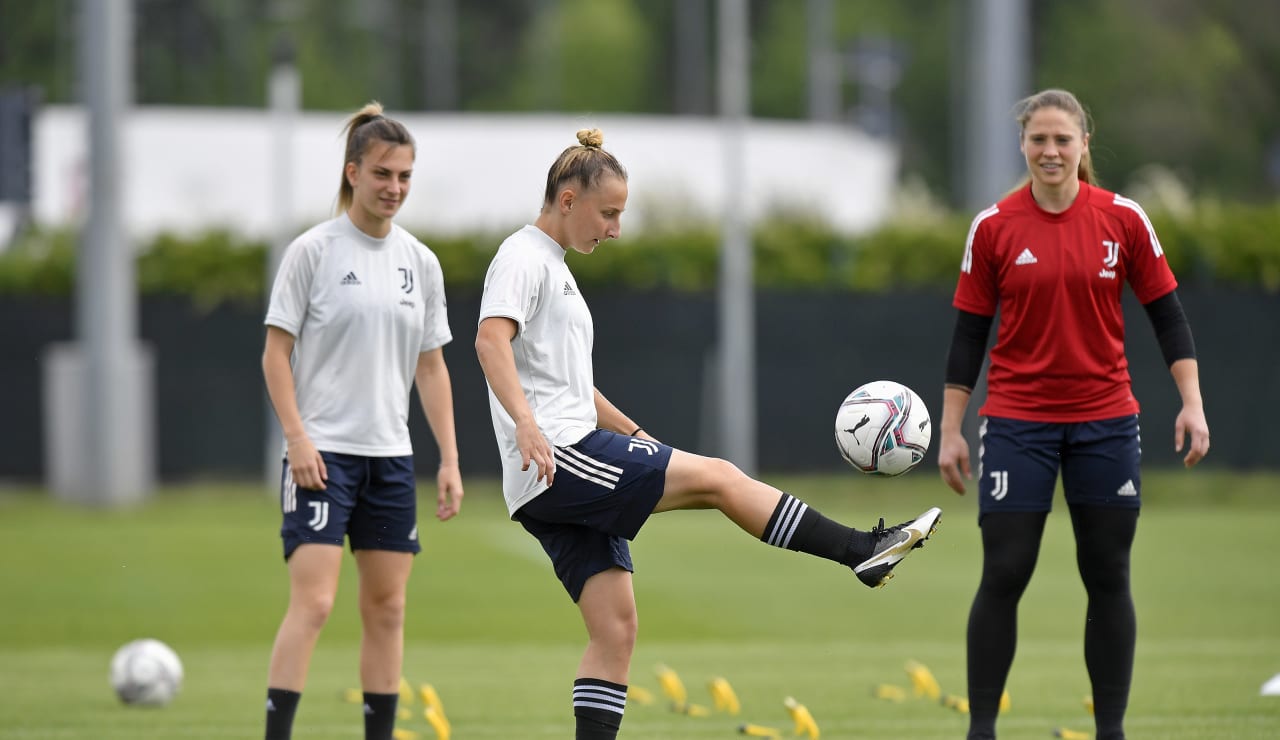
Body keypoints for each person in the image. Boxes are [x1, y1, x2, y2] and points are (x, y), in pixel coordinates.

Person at [474, 128, 942, 740]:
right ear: (567, 199)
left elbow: (570, 387)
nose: (615, 229)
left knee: (615, 630)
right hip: (559, 458)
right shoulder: (522, 257)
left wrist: (637, 433)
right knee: (721, 478)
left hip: (558, 457)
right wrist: (528, 427)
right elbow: (490, 342)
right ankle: (863, 552)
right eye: (608, 213)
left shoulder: (555, 269)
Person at [936, 89, 1210, 740]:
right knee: (1004, 571)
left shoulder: (1123, 219)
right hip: (1017, 422)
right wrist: (950, 429)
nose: (1050, 151)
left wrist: (1192, 403)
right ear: (1023, 146)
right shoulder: (994, 226)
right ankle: (981, 731)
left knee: (1108, 572)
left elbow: (1167, 317)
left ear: (1085, 144)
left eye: (1063, 139)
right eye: (1039, 139)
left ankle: (1110, 730)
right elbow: (968, 335)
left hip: (1105, 421)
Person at [260, 101, 464, 740]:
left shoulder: (421, 263)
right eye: (382, 174)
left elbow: (431, 368)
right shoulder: (312, 252)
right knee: (315, 603)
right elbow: (275, 353)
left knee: (388, 608)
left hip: (391, 458)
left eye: (404, 176)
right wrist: (297, 439)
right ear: (353, 172)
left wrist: (450, 459)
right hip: (322, 455)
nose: (394, 187)